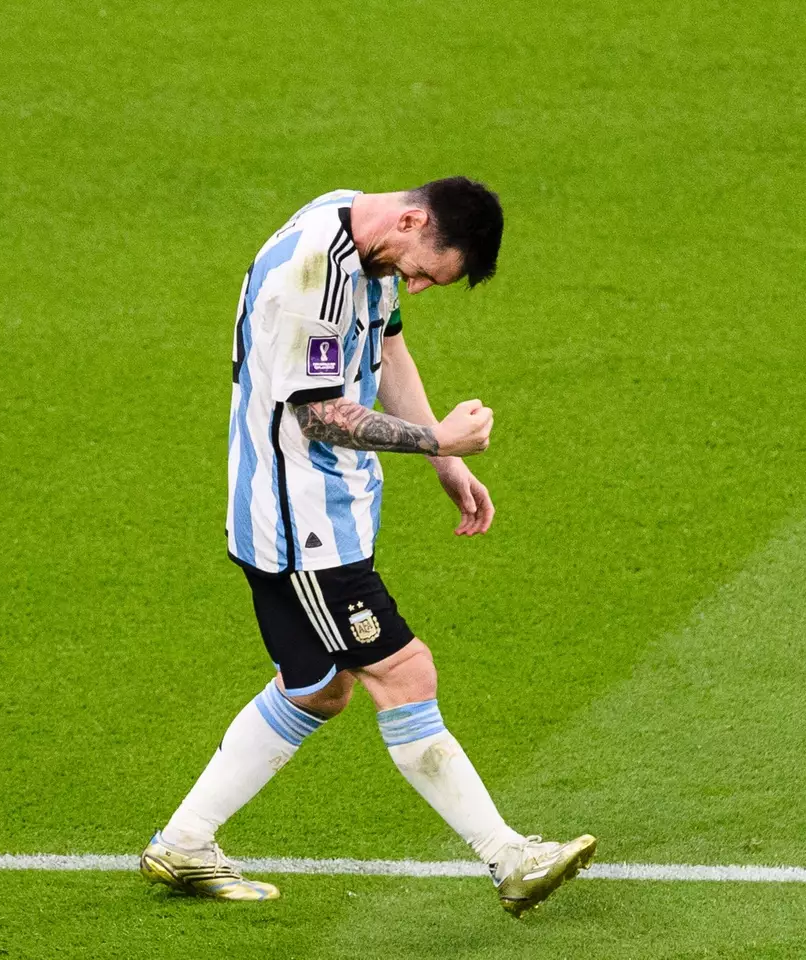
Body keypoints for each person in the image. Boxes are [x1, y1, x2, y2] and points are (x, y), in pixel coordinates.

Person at [140, 178, 594, 917]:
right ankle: (509, 856)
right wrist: (435, 437)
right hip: (302, 527)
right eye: (421, 270)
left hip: (314, 513)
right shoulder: (311, 273)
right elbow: (318, 414)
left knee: (321, 687)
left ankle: (185, 841)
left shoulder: (365, 235)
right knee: (404, 672)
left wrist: (445, 462)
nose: (413, 285)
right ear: (413, 219)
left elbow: (386, 345)